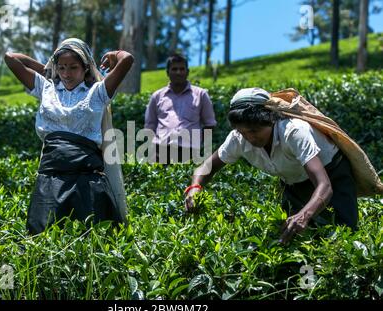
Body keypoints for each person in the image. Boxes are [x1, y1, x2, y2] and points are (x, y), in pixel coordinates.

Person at [185, 87, 360, 244]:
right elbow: (206, 167)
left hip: (332, 176)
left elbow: (325, 185)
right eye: (243, 132)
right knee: (292, 238)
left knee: (344, 235)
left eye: (254, 131)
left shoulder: (294, 131)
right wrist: (194, 188)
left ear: (271, 119)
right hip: (292, 183)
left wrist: (304, 215)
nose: (250, 138)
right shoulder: (238, 138)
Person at [4, 38, 134, 234]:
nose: (66, 74)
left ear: (86, 68)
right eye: (62, 67)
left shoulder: (98, 92)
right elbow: (11, 58)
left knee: (92, 237)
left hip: (86, 177)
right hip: (51, 176)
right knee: (44, 236)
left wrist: (115, 54)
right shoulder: (45, 88)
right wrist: (49, 69)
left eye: (73, 67)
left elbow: (128, 60)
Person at [144, 53, 217, 164]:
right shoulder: (157, 96)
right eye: (174, 69)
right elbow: (150, 125)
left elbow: (209, 124)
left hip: (190, 153)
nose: (178, 72)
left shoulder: (201, 94)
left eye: (182, 69)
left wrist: (200, 147)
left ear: (187, 72)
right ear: (167, 72)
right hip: (160, 152)